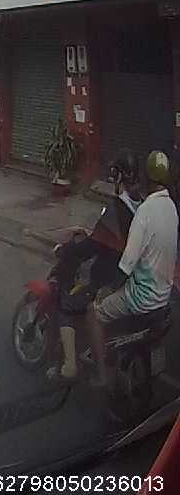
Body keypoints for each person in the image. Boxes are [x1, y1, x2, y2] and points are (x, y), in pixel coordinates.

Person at [86, 150, 178, 387]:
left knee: (93, 313)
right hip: (163, 296)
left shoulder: (145, 212)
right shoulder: (171, 208)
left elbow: (126, 264)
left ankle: (102, 376)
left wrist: (106, 290)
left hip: (141, 298)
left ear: (146, 178)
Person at [47, 151, 141, 380]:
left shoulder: (117, 208)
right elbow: (109, 239)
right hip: (131, 274)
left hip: (110, 277)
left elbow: (90, 248)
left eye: (114, 174)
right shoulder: (141, 204)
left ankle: (70, 366)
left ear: (119, 176)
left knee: (66, 303)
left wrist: (65, 250)